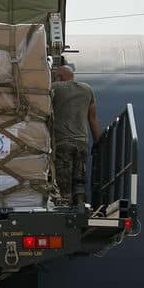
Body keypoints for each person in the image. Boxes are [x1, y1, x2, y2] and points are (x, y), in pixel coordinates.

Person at [49, 64, 102, 205]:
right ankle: (80, 207)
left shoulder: (54, 88)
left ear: (59, 77)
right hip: (82, 143)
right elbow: (93, 119)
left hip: (63, 143)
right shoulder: (87, 89)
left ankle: (66, 209)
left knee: (64, 183)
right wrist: (98, 143)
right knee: (79, 182)